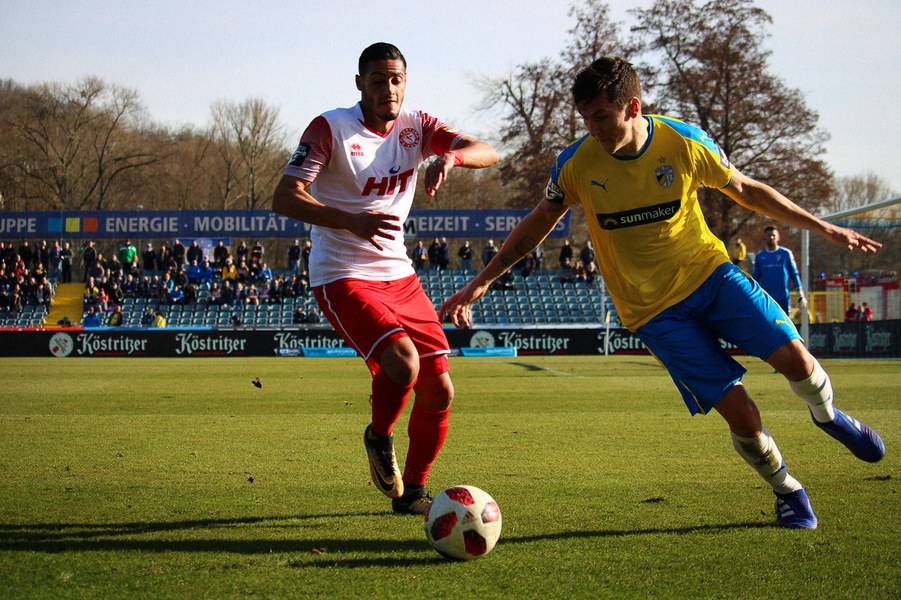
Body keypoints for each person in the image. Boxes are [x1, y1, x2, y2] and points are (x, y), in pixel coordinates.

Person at [441, 56, 885, 530]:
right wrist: (480, 281)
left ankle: (827, 415)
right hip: (651, 311)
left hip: (711, 276)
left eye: (601, 117)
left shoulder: (684, 142)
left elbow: (747, 190)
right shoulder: (575, 163)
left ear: (632, 107)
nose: (593, 129)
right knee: (740, 413)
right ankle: (788, 490)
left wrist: (824, 228)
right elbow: (539, 221)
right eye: (585, 118)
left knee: (798, 362)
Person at [271, 42, 498, 514]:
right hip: (342, 273)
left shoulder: (418, 126)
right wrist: (349, 221)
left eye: (396, 80)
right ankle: (379, 436)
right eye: (378, 80)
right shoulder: (330, 128)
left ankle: (412, 492)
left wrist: (451, 159)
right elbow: (285, 196)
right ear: (360, 84)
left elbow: (488, 151)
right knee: (403, 363)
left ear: (405, 82)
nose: (388, 89)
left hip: (399, 274)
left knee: (440, 389)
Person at [753, 226, 807, 314]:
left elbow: (794, 274)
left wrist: (800, 294)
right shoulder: (759, 256)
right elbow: (755, 277)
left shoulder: (786, 254)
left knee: (784, 321)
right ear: (764, 237)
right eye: (768, 235)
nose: (771, 238)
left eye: (773, 235)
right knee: (768, 321)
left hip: (783, 297)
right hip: (767, 298)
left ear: (778, 237)